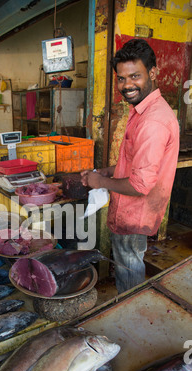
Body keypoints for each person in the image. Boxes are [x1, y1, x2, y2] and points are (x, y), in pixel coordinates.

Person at [81, 38, 179, 294]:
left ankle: (130, 310)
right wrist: (108, 171)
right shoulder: (143, 111)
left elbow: (140, 184)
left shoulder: (153, 121)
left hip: (135, 212)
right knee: (128, 261)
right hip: (131, 209)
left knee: (129, 267)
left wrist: (98, 181)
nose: (126, 85)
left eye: (135, 76)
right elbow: (136, 164)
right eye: (121, 78)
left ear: (153, 73)